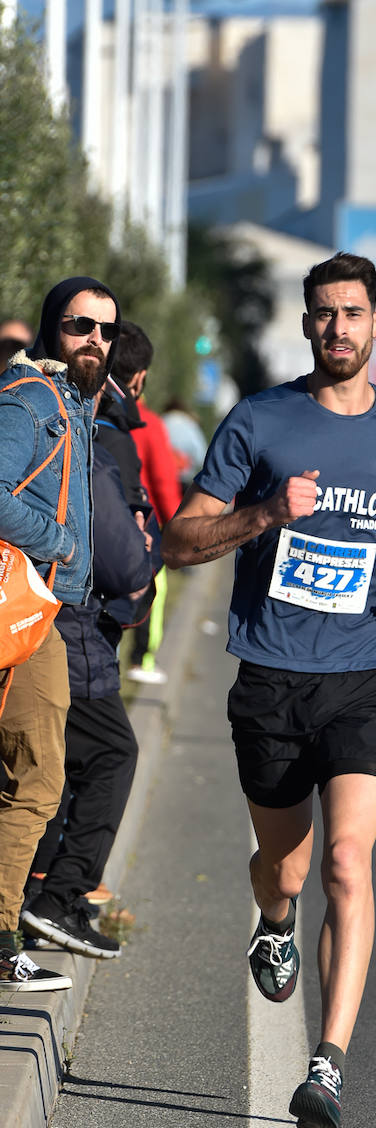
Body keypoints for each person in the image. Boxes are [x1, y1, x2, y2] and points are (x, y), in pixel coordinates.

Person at [161, 251, 376, 1128]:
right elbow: (179, 540)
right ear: (305, 323)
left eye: (352, 314)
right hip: (272, 678)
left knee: (347, 861)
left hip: (365, 679)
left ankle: (326, 1063)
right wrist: (264, 516)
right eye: (323, 314)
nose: (338, 329)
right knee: (285, 870)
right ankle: (275, 921)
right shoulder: (261, 420)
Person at [0, 276, 121, 991]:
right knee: (38, 781)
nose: (94, 340)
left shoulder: (71, 403)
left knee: (30, 778)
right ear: (53, 330)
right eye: (80, 326)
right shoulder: (34, 402)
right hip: (26, 609)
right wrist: (61, 543)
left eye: (106, 329)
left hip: (40, 609)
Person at [20, 414, 155, 957]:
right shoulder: (86, 440)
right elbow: (128, 565)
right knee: (107, 755)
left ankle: (36, 900)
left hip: (37, 621)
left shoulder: (32, 420)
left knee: (41, 768)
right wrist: (145, 543)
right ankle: (55, 898)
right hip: (64, 630)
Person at [109, 323, 182, 686]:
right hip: (143, 529)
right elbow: (164, 482)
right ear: (140, 377)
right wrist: (175, 528)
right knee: (153, 593)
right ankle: (143, 659)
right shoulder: (150, 425)